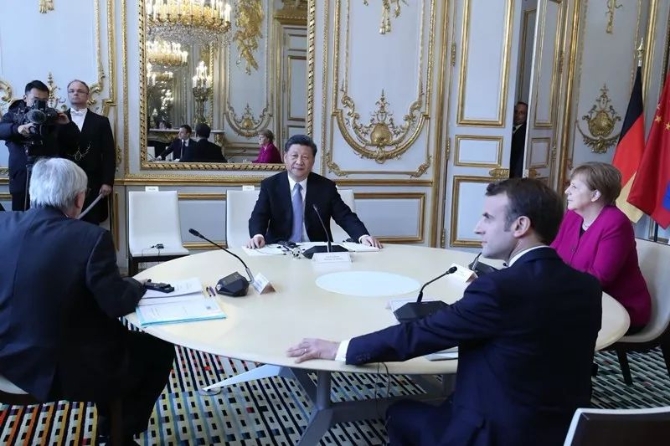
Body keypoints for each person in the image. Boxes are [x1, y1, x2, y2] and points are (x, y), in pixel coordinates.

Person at [287, 178, 602, 446]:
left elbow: (421, 334)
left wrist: (340, 348)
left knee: (399, 410)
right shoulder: (587, 287)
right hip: (567, 432)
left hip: (493, 434)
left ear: (520, 226)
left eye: (487, 218)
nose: (477, 228)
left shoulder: (498, 289)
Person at [0, 158, 175, 445]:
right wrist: (136, 285)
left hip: (5, 355)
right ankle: (119, 432)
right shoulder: (91, 238)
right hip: (55, 368)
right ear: (79, 198)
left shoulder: (3, 224)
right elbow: (117, 304)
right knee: (157, 349)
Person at [551, 162, 651, 333]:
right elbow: (552, 253)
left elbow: (599, 278)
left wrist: (552, 282)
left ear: (595, 194)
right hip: (575, 301)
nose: (567, 191)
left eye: (574, 187)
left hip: (619, 310)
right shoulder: (573, 215)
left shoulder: (616, 223)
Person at [247, 134, 383, 249]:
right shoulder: (270, 185)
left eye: (305, 157)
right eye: (294, 156)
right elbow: (259, 215)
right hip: (280, 247)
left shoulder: (326, 187)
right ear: (285, 157)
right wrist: (258, 235)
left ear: (312, 161)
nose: (299, 162)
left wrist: (362, 236)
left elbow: (345, 216)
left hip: (317, 249)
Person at [0, 80, 80, 211]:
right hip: (21, 178)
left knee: (48, 216)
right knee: (21, 217)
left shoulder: (52, 116)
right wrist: (17, 129)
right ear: (25, 98)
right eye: (35, 100)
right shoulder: (13, 115)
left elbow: (74, 143)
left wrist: (67, 125)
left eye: (44, 101)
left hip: (49, 180)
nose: (39, 104)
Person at [66, 79, 116, 224]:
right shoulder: (58, 120)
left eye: (80, 91)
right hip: (65, 181)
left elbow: (109, 154)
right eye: (72, 91)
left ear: (87, 95)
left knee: (91, 223)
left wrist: (107, 182)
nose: (75, 93)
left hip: (93, 182)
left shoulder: (101, 122)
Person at [510, 101, 528, 178]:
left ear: (526, 115)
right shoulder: (508, 128)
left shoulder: (525, 132)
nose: (517, 115)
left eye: (522, 113)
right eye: (516, 112)